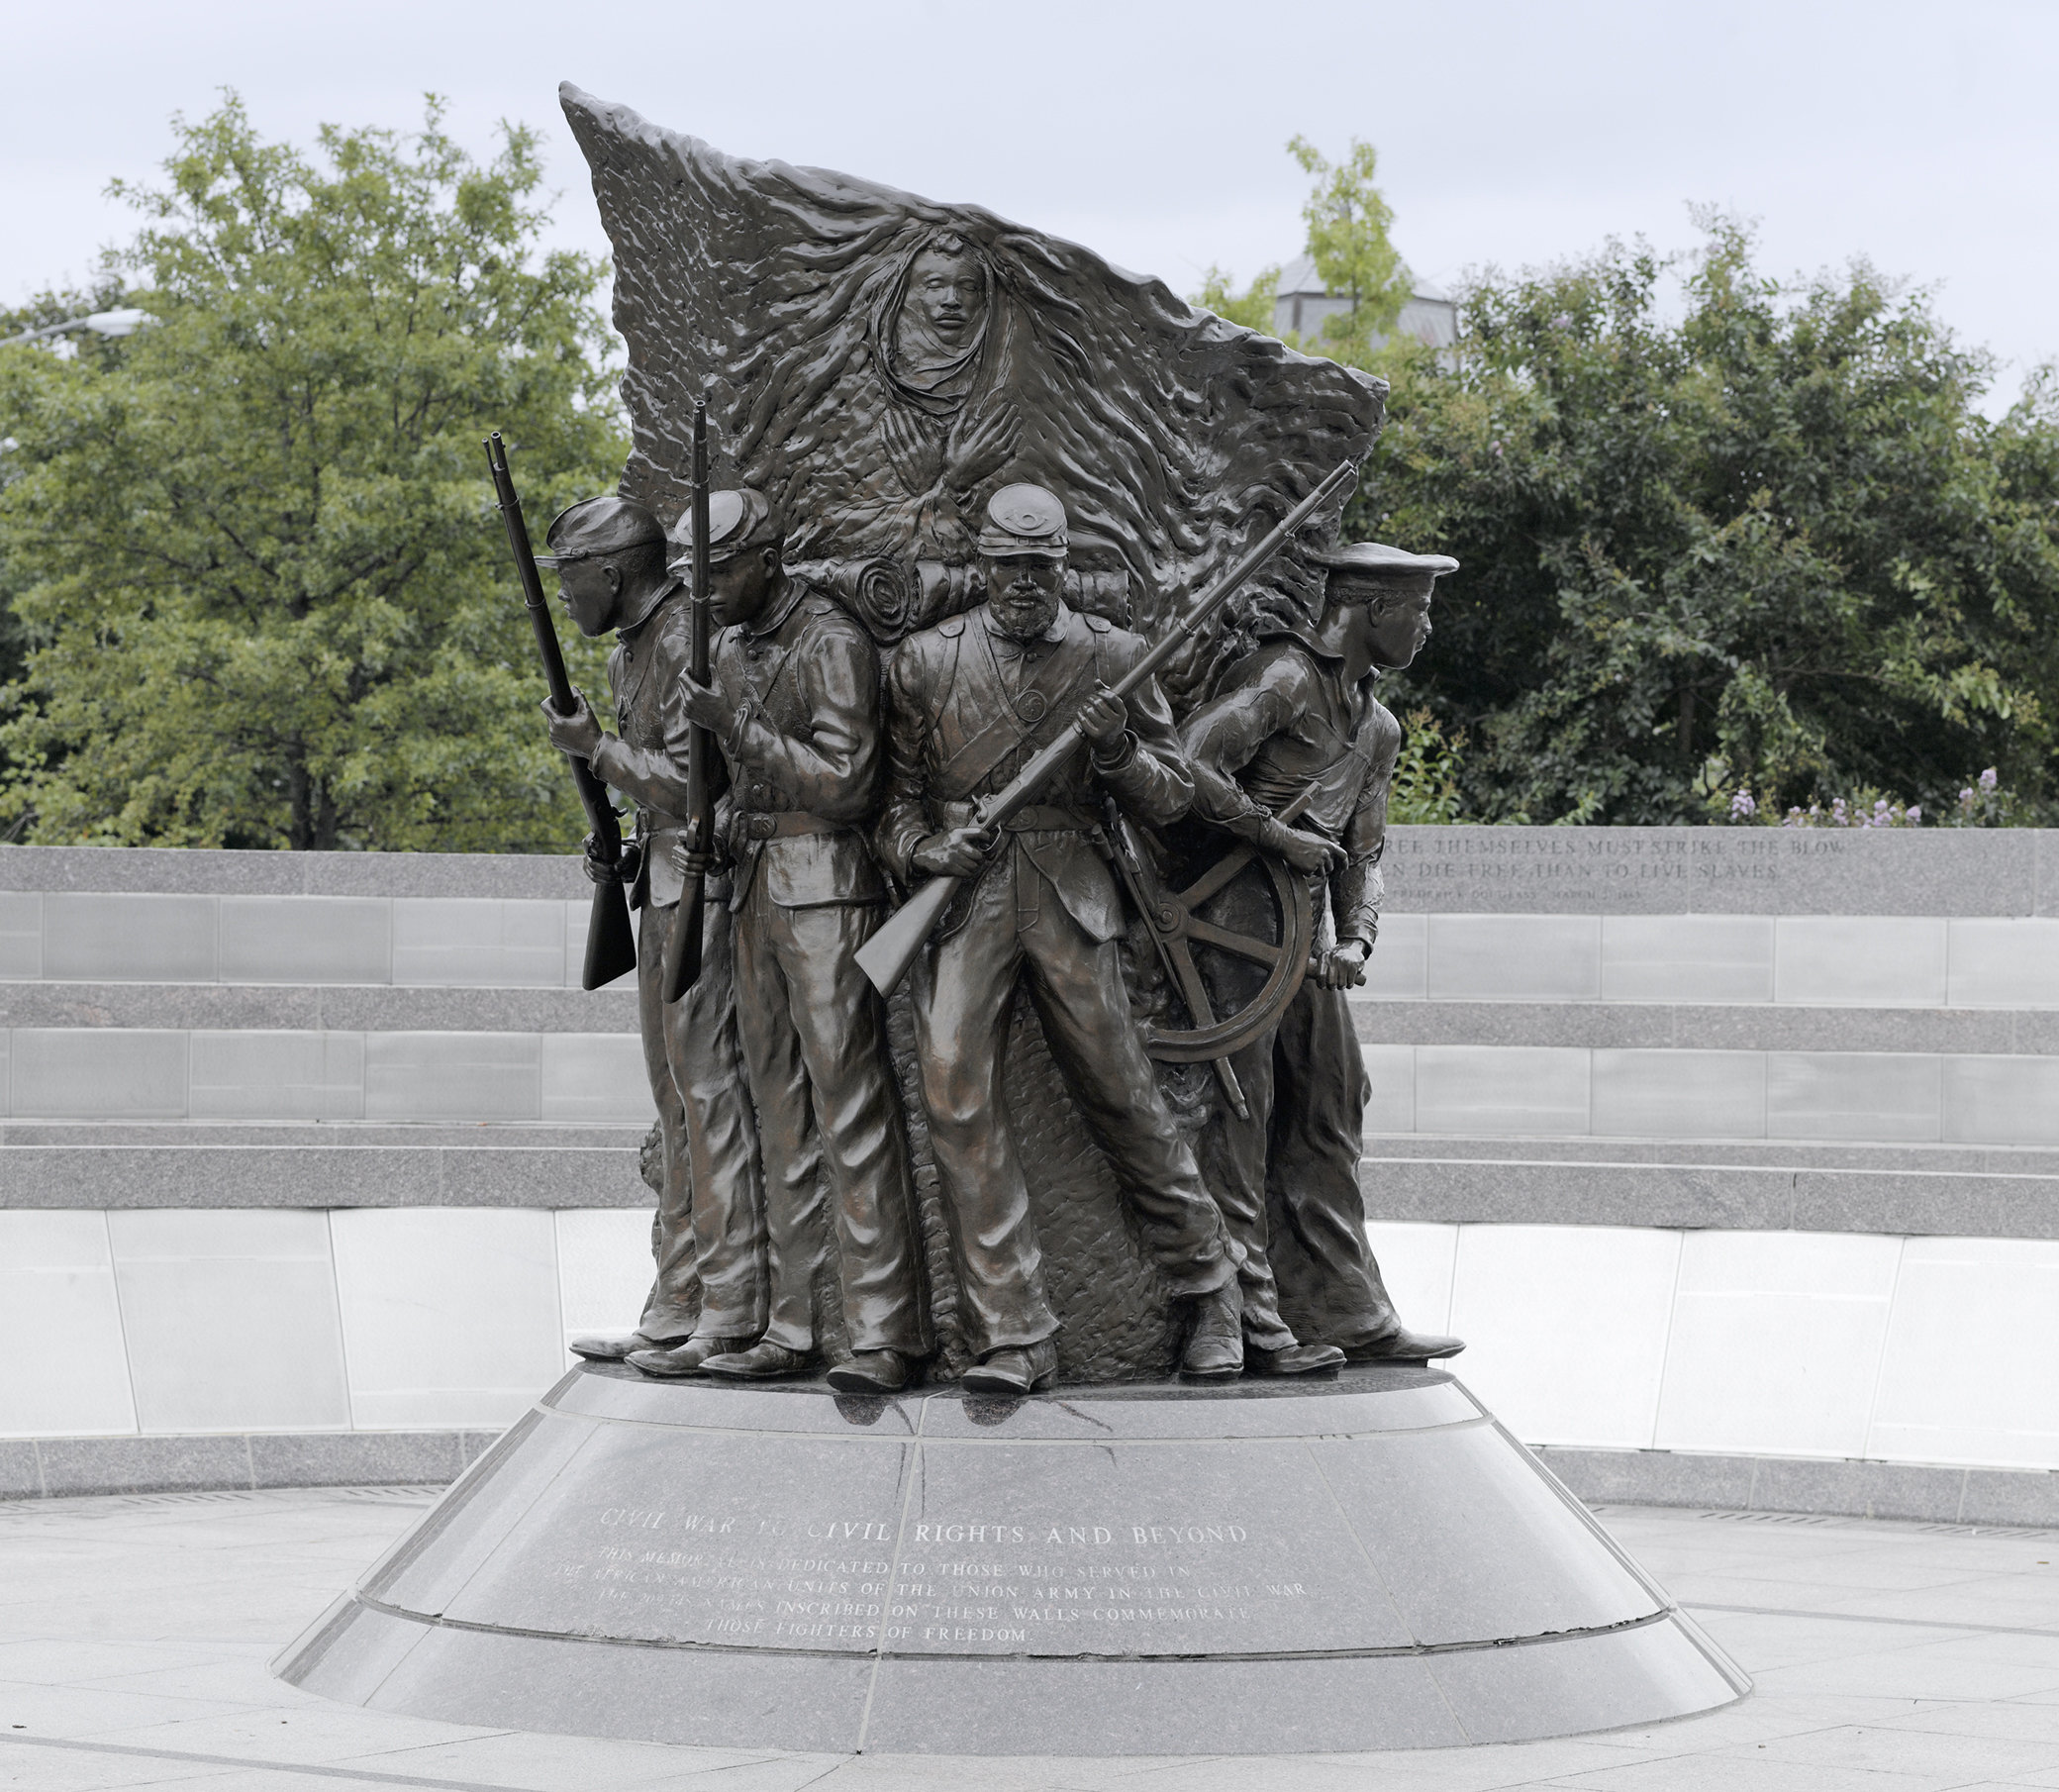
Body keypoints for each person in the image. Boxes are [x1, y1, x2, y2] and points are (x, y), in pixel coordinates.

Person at [878, 483, 1244, 1393]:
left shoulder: (1113, 656)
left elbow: (1170, 799)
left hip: (1071, 890)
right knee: (955, 1097)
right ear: (984, 566)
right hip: (965, 899)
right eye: (1008, 568)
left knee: (1123, 1093)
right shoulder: (925, 661)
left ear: (1063, 566)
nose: (1024, 585)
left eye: (1041, 569)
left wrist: (1118, 752)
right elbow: (887, 807)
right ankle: (1014, 1331)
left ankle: (1212, 1289)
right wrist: (926, 844)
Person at [635, 490, 930, 1394]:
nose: (707, 591)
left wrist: (740, 733)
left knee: (850, 1108)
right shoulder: (725, 644)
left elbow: (848, 785)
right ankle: (797, 1322)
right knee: (781, 1114)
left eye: (719, 571)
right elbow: (738, 785)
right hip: (756, 888)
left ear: (768, 557)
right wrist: (717, 817)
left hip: (829, 890)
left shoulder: (832, 641)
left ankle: (885, 1330)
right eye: (694, 576)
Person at [1179, 541, 1466, 1364]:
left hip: (1310, 937)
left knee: (1335, 1103)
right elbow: (1192, 760)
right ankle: (1251, 1322)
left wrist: (1358, 937)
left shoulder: (1378, 727)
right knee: (1244, 1113)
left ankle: (1346, 1310)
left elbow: (1363, 853)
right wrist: (1272, 834)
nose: (1426, 628)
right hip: (1235, 925)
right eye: (1419, 611)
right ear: (1373, 610)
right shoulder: (1283, 680)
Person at [538, 495, 768, 1370]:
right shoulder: (640, 644)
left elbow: (697, 790)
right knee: (675, 1104)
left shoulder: (679, 641)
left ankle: (732, 1305)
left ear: (611, 572)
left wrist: (598, 750)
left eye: (570, 583)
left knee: (710, 1102)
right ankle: (674, 1300)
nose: (565, 601)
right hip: (664, 885)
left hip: (706, 892)